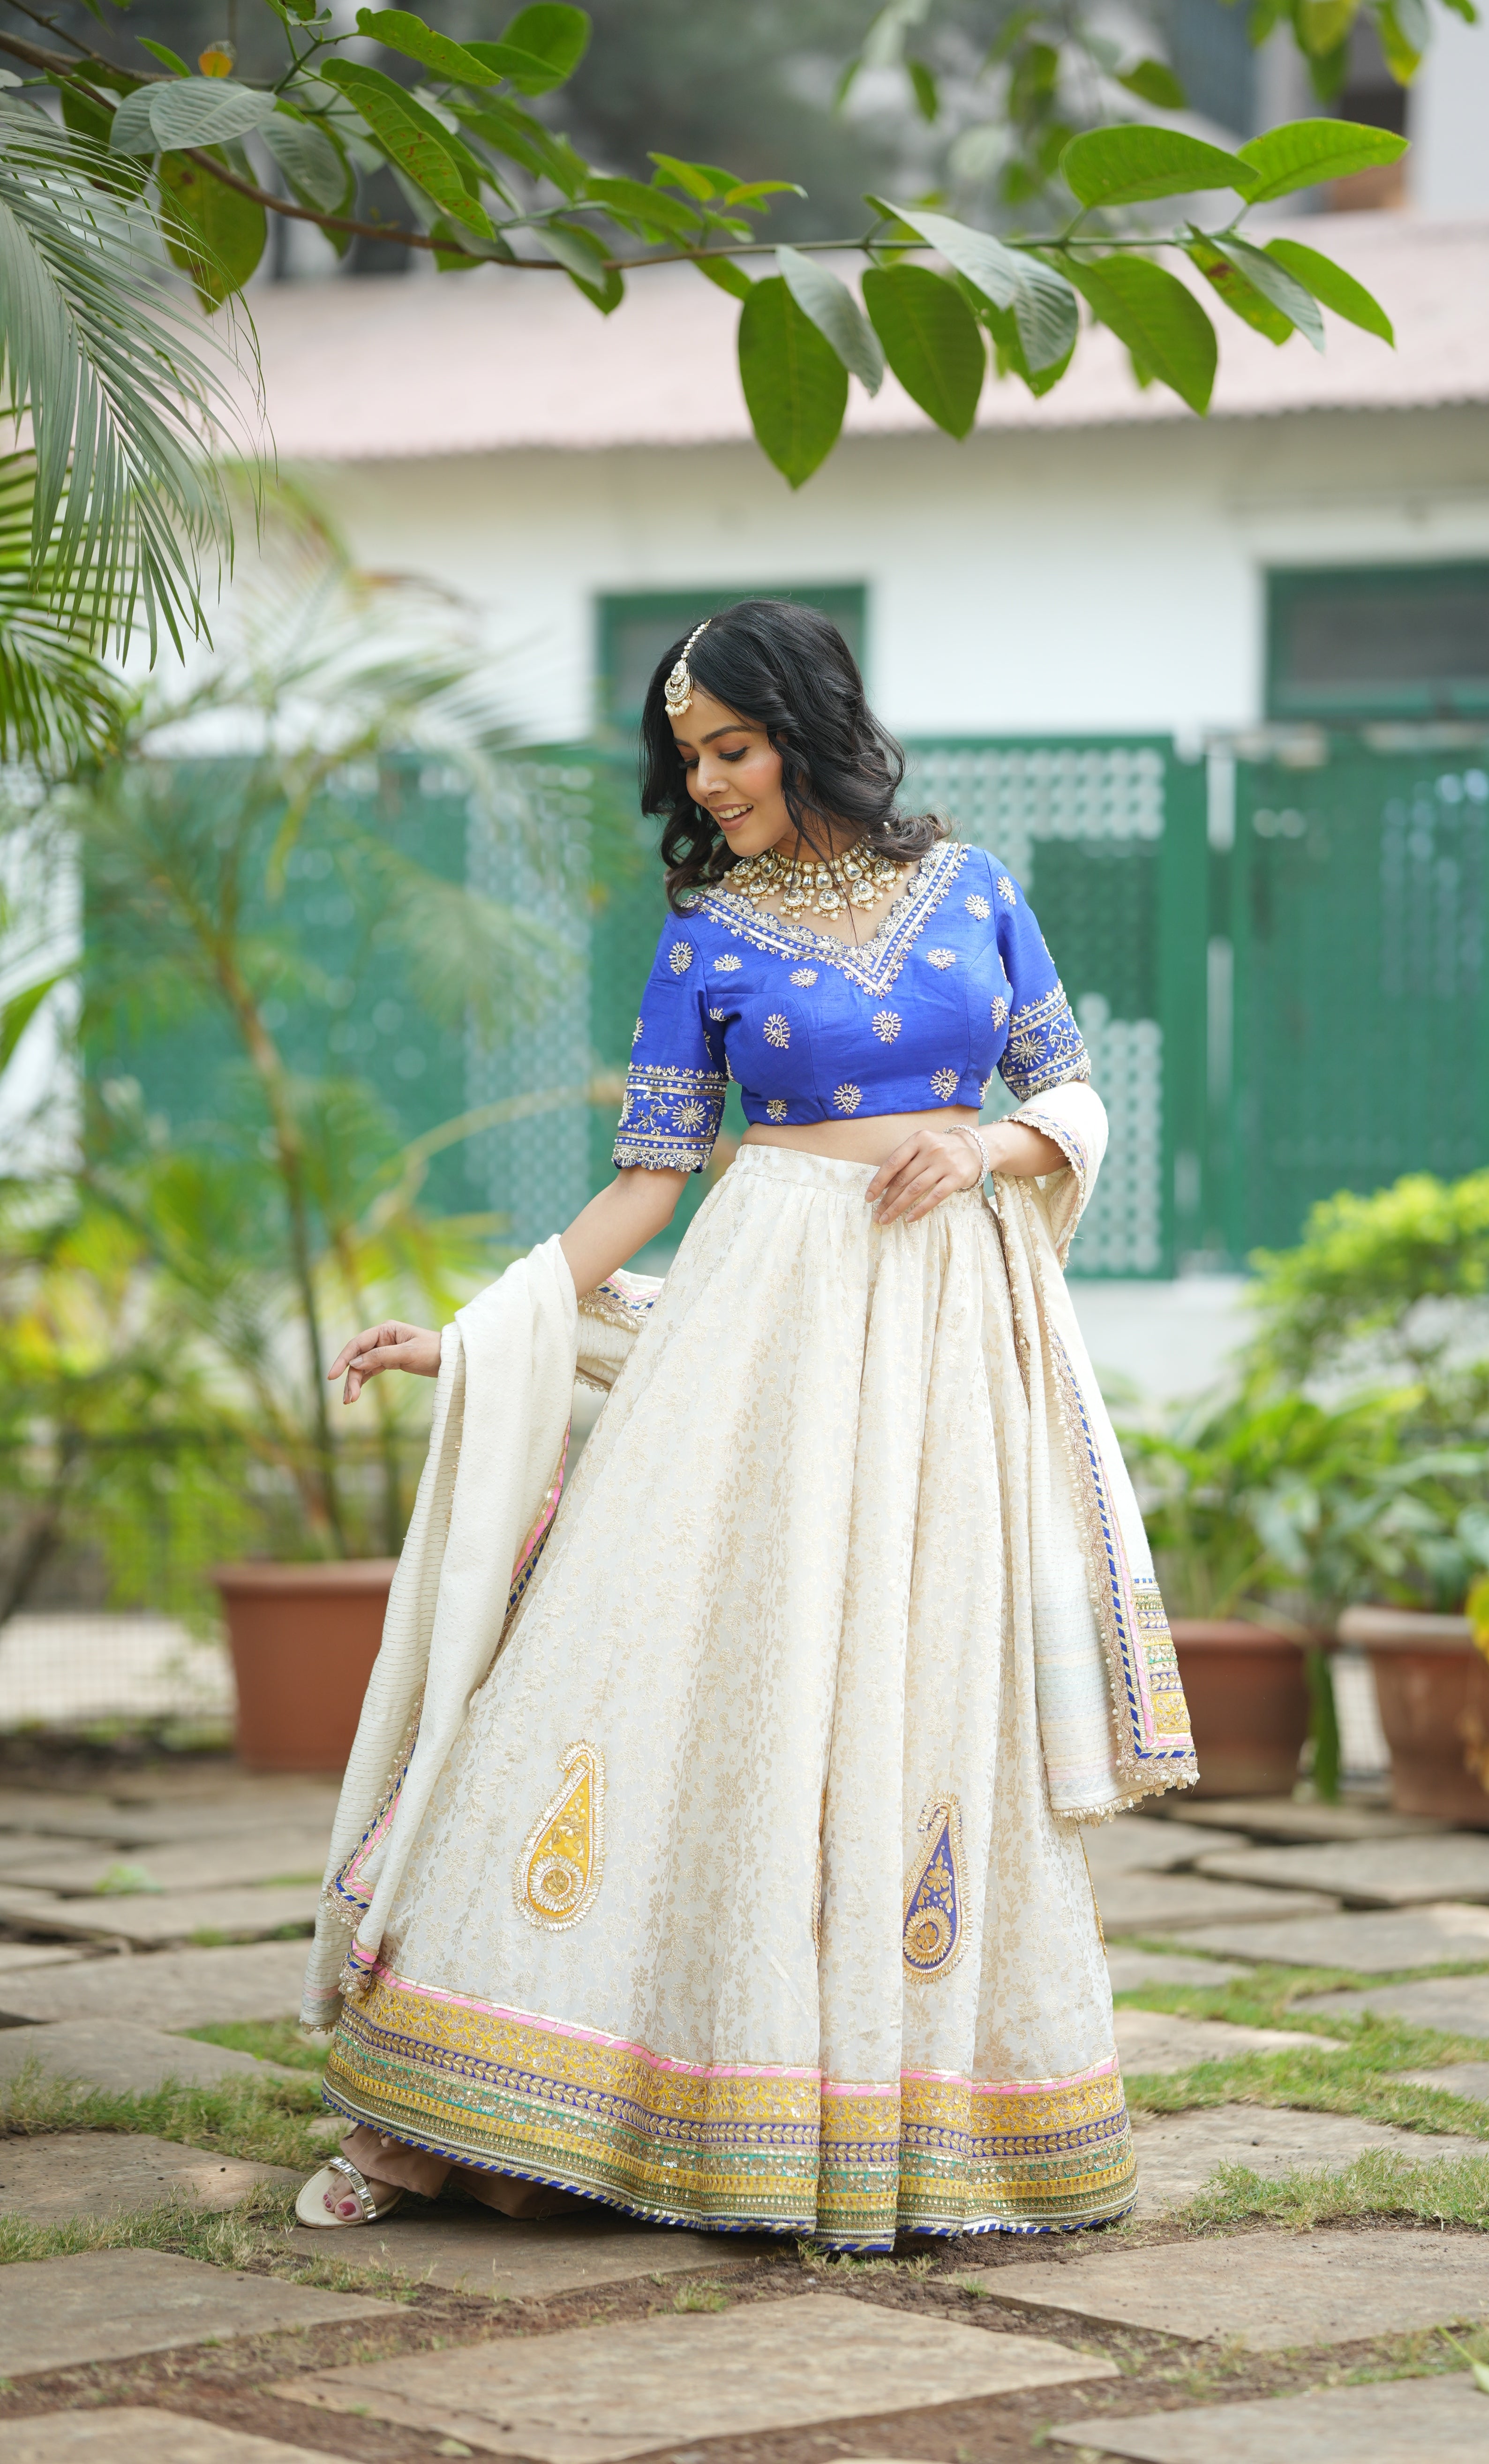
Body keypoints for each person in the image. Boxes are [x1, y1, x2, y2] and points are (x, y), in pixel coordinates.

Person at [294, 600, 1196, 2248]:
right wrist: (489, 1333)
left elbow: (1071, 1095)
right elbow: (653, 1176)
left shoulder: (976, 889)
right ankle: (515, 2095)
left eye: (733, 747)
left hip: (940, 1336)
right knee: (664, 1669)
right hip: (766, 1328)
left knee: (921, 1694)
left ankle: (900, 2111)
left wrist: (990, 1154)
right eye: (689, 758)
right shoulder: (707, 933)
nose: (707, 783)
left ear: (809, 724)